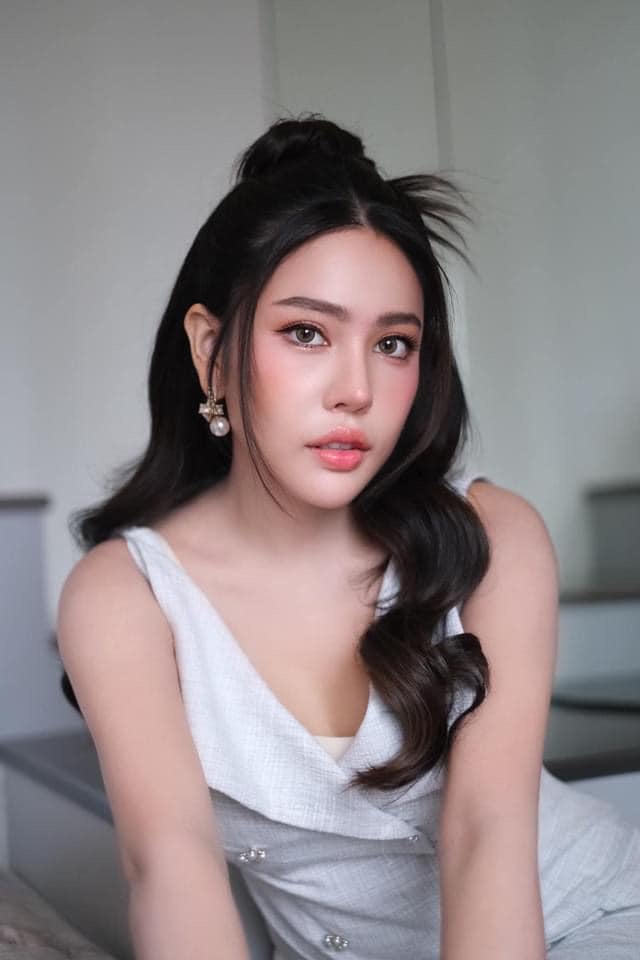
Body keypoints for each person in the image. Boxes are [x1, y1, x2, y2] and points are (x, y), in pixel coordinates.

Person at [57, 115, 640, 960]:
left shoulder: (491, 540)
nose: (356, 390)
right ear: (211, 350)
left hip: (589, 921)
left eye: (394, 343)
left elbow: (486, 831)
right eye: (307, 333)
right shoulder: (128, 596)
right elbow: (169, 866)